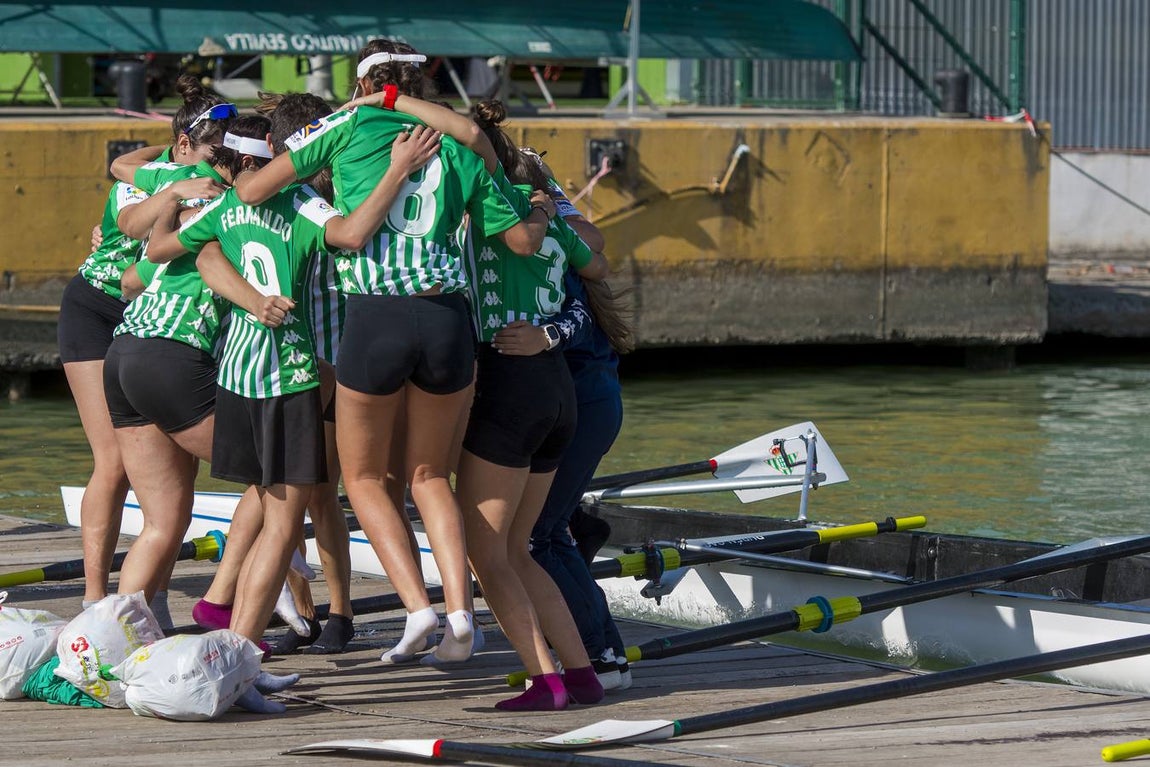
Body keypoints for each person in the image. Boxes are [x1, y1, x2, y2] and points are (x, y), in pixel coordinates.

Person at [232, 39, 551, 665]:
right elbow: (515, 234)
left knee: (364, 478)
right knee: (432, 475)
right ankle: (461, 611)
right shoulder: (457, 143)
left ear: (362, 83)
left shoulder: (349, 121)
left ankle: (418, 607)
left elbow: (253, 192)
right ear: (420, 80)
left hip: (376, 317)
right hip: (448, 318)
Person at [146, 110, 444, 659]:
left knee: (280, 506)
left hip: (237, 376)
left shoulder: (225, 205)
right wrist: (398, 168)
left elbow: (157, 249)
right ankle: (243, 648)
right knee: (292, 519)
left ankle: (263, 620)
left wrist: (172, 203)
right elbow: (353, 235)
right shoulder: (303, 203)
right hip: (299, 372)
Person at [454, 99, 609, 710]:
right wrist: (550, 208)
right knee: (519, 548)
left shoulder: (478, 211)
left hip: (507, 384)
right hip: (556, 389)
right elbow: (596, 264)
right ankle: (580, 674)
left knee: (487, 553)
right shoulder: (545, 216)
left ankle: (543, 681)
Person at [62, 74, 229, 619]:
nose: (221, 162)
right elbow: (132, 211)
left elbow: (122, 164)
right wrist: (177, 183)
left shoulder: (211, 175)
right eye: (212, 150)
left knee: (176, 475)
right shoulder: (154, 176)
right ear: (185, 147)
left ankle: (150, 602)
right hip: (100, 307)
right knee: (112, 461)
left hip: (153, 317)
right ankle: (93, 596)